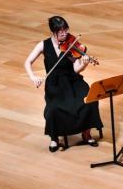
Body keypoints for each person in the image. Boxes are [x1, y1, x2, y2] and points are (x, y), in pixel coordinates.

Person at [24, 16, 103, 152]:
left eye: (66, 30)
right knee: (54, 108)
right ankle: (54, 137)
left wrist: (83, 64)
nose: (64, 34)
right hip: (54, 84)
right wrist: (33, 77)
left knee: (90, 100)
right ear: (52, 33)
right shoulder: (44, 45)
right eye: (60, 32)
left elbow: (75, 69)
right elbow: (27, 62)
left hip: (73, 81)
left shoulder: (72, 45)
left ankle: (86, 133)